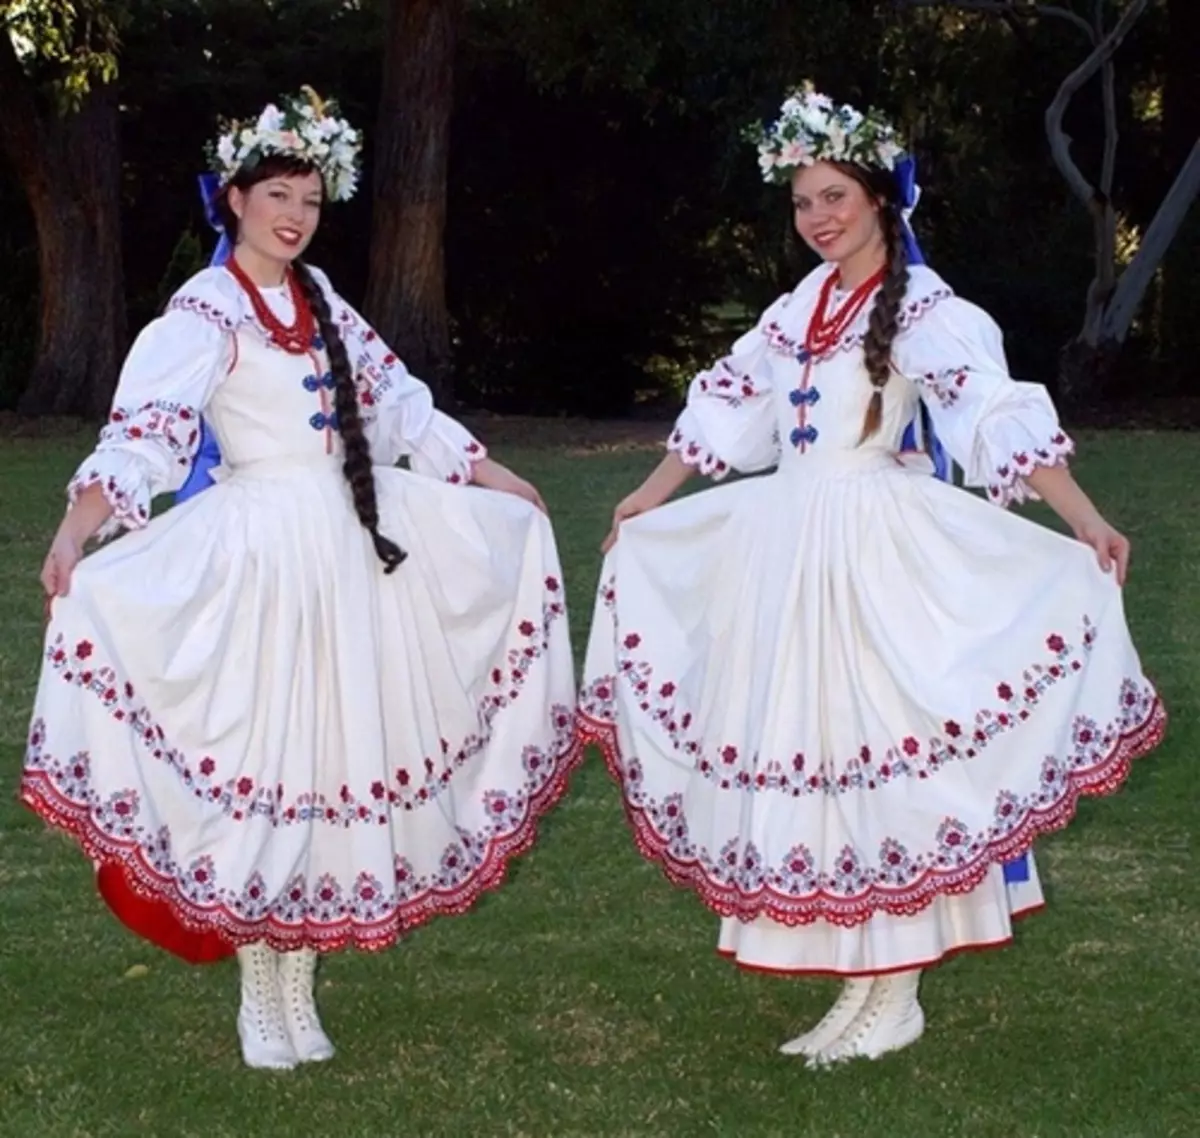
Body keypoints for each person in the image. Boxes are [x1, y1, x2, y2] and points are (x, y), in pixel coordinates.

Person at [577, 85, 1165, 1066]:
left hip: (875, 548)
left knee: (887, 762)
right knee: (819, 761)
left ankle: (895, 990)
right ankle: (863, 984)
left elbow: (989, 411)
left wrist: (1086, 517)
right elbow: (730, 395)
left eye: (834, 197)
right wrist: (653, 490)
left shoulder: (925, 305)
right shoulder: (800, 306)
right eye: (804, 201)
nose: (817, 218)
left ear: (882, 199)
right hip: (790, 542)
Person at [21, 89, 580, 1071]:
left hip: (349, 550)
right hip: (260, 556)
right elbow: (144, 434)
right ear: (232, 199)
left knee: (330, 765)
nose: (294, 215)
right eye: (276, 193)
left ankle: (298, 980)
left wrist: (487, 470)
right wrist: (77, 531)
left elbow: (399, 406)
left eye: (311, 200)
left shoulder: (323, 300)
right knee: (267, 769)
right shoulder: (205, 313)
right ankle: (256, 989)